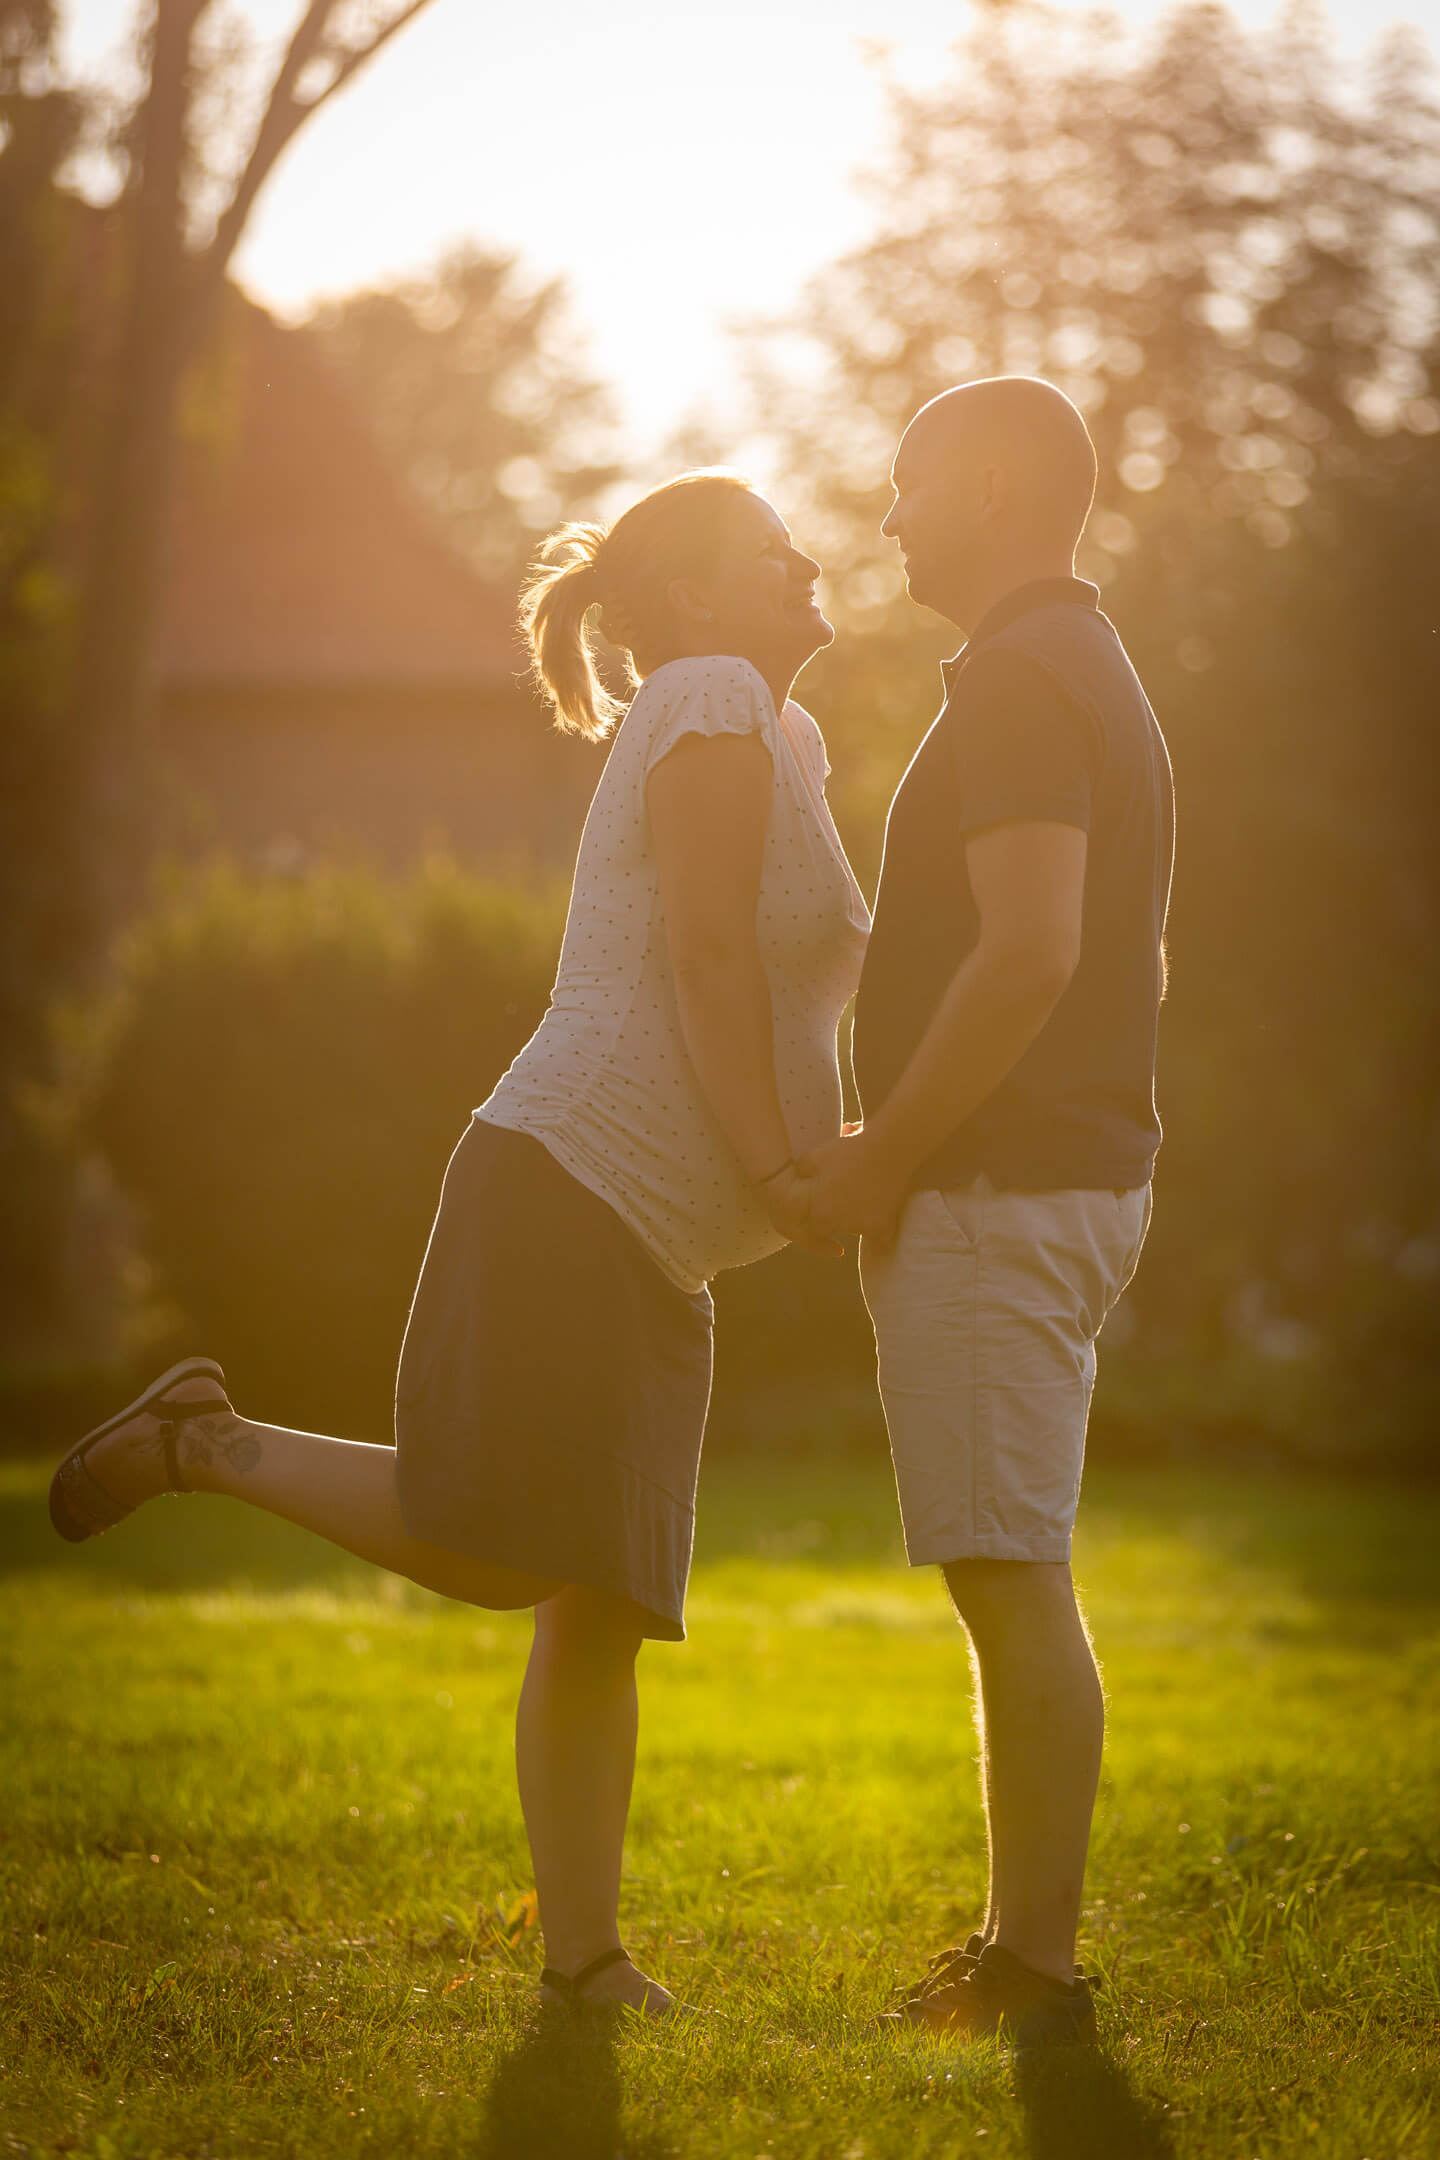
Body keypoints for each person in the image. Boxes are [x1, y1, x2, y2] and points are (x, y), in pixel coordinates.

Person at [49, 470, 870, 2018]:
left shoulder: (784, 730)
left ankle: (585, 1965)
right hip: (574, 1182)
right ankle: (203, 1445)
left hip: (646, 1233)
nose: (812, 558)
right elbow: (701, 948)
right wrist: (777, 1163)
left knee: (601, 1608)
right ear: (693, 600)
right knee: (502, 1551)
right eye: (774, 549)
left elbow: (782, 974)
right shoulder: (705, 695)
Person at [801, 377, 1174, 2049]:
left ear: (1002, 481)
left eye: (909, 482)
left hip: (1001, 1190)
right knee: (1009, 1565)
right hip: (1050, 1175)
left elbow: (1037, 953)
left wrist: (887, 1152)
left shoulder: (1027, 681)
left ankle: (1032, 1969)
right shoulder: (1080, 671)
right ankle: (1022, 1949)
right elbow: (1110, 957)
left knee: (1010, 1573)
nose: (886, 518)